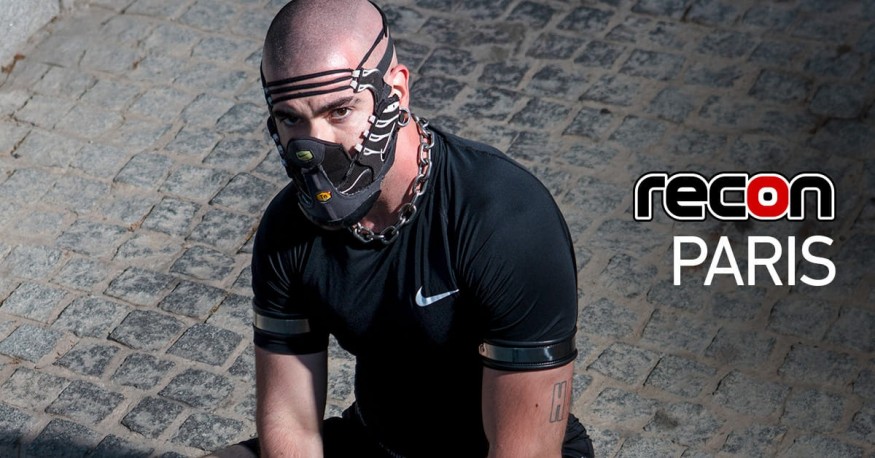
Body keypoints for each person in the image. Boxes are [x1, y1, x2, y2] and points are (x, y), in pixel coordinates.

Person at [212, 0, 594, 456]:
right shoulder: (287, 229)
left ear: (396, 91)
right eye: (291, 118)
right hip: (375, 440)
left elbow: (525, 451)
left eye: (339, 111)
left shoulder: (506, 219)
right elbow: (291, 425)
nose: (315, 146)